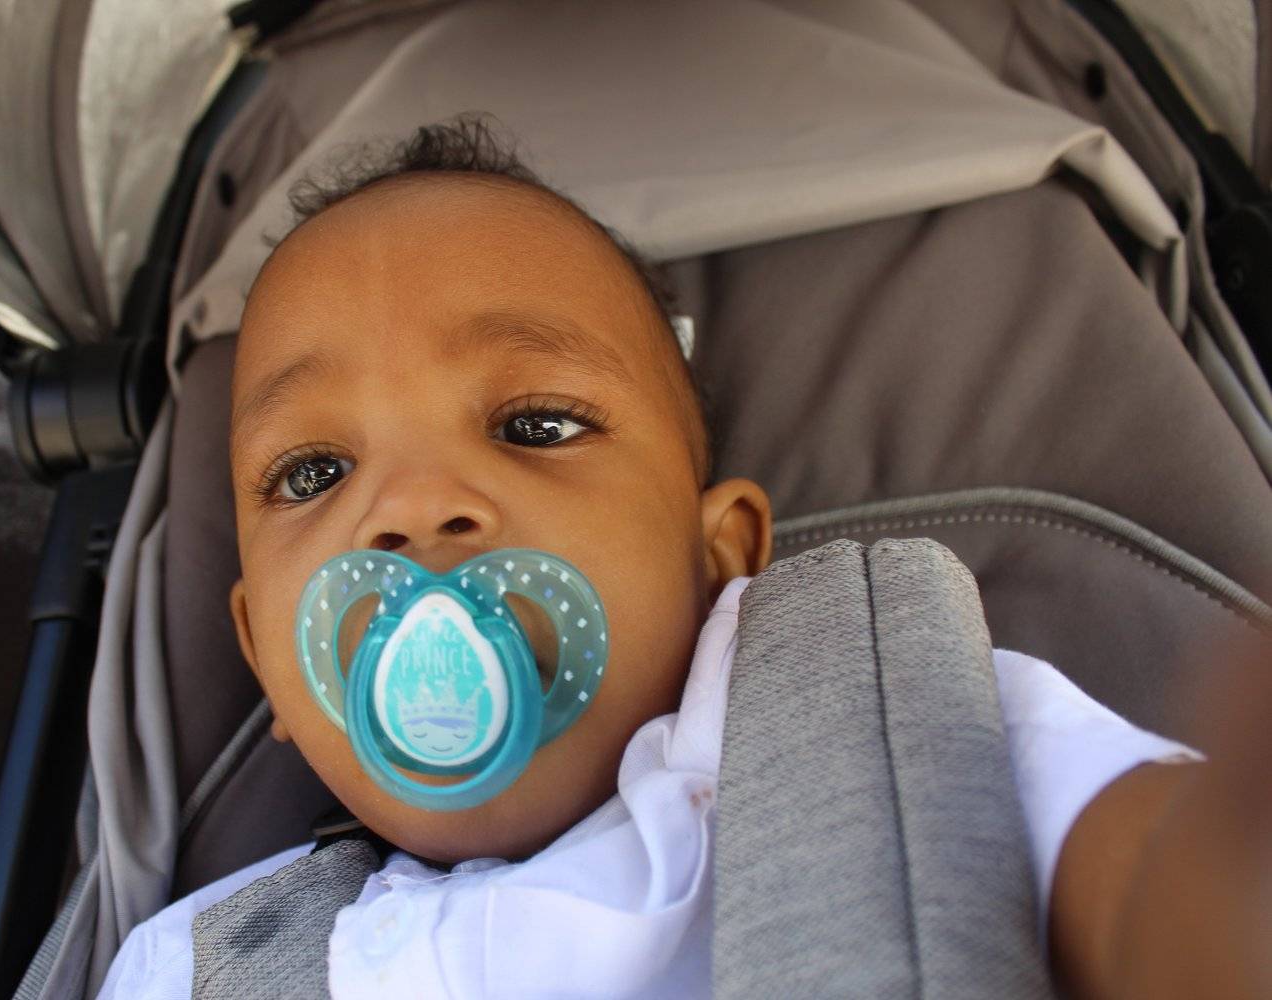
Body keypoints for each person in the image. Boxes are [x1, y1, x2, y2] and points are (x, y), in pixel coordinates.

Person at [98, 117, 1271, 999]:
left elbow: (1154, 895)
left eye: (534, 424)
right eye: (313, 472)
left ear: (723, 562)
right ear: (267, 661)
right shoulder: (191, 962)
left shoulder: (911, 726)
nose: (410, 509)